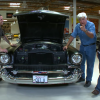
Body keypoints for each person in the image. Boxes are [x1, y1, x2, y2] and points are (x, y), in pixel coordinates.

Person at [63, 12, 96, 87]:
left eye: (83, 19)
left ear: (86, 18)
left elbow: (92, 35)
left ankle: (88, 80)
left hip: (91, 47)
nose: (82, 21)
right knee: (81, 63)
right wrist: (67, 45)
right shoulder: (78, 26)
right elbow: (73, 35)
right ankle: (82, 77)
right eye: (80, 20)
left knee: (90, 64)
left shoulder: (91, 25)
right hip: (82, 46)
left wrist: (85, 30)